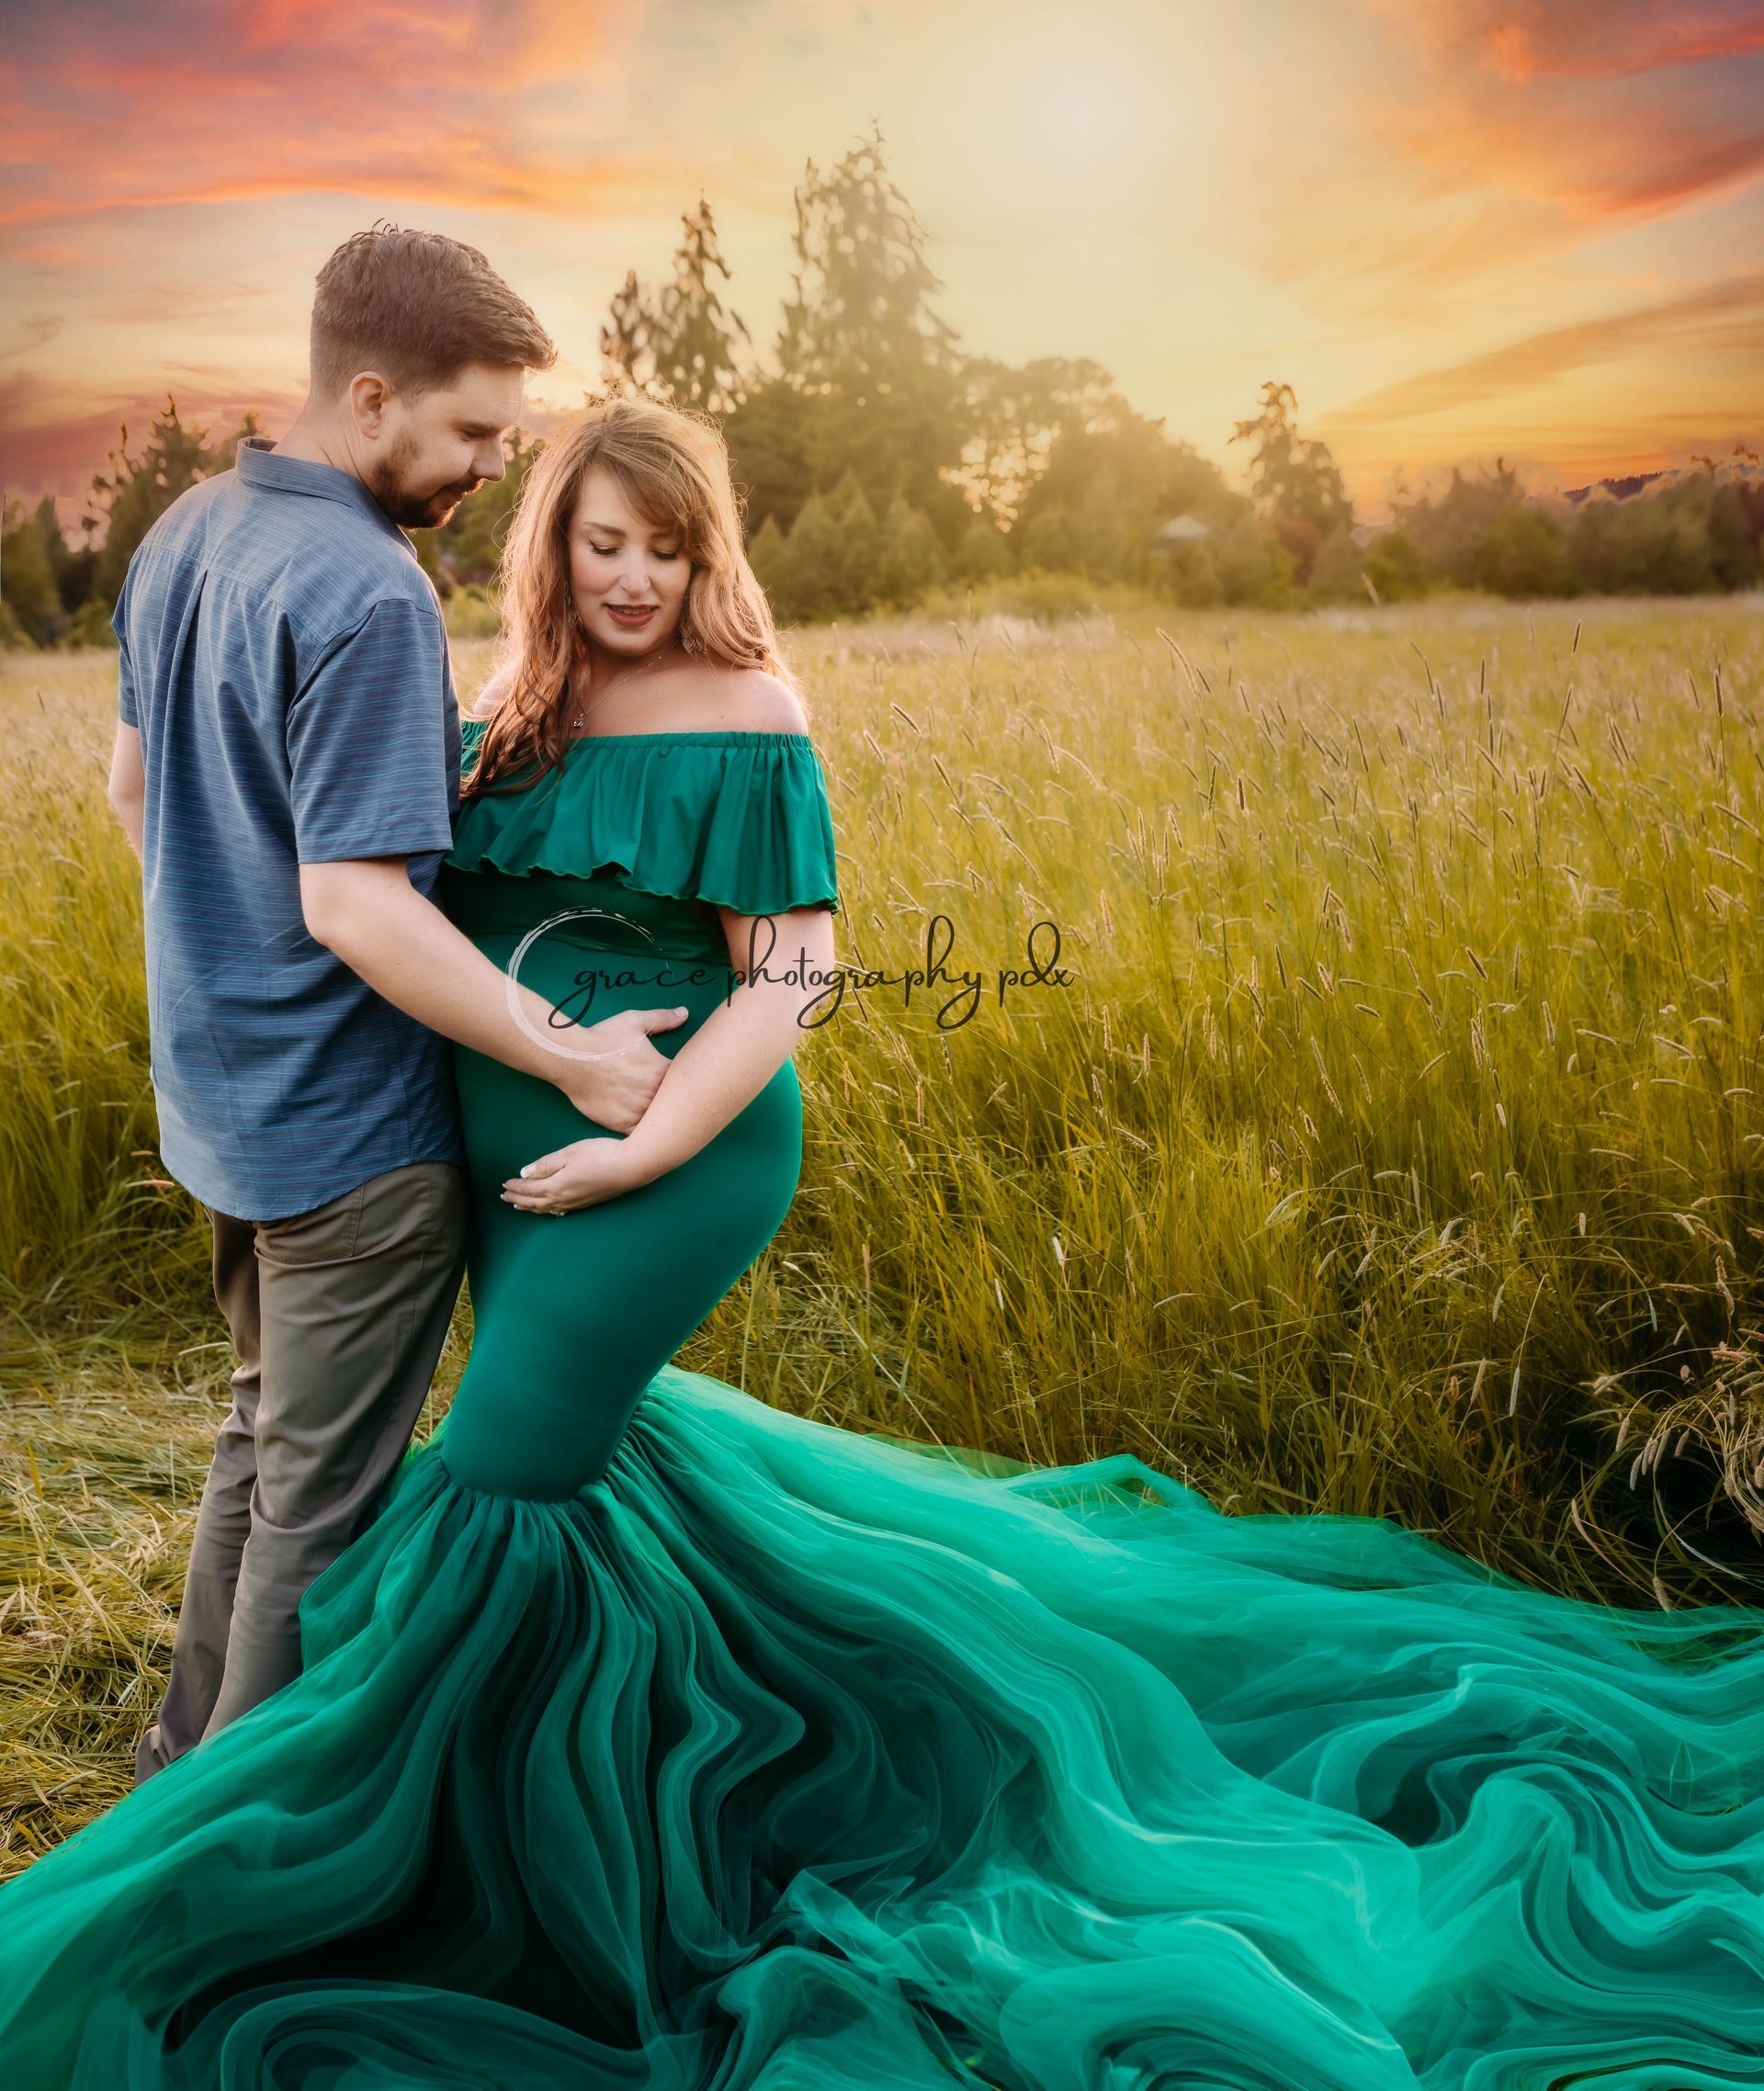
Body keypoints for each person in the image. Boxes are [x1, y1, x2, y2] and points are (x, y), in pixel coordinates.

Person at [6, 396, 1764, 2088]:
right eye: (606, 543)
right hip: (509, 1157)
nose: (636, 579)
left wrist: (647, 1155)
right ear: (556, 544)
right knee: (579, 1480)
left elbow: (792, 973)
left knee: (495, 1493)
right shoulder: (505, 701)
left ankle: (334, 1877)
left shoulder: (748, 701)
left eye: (669, 549)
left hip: (671, 1161)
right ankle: (628, 1788)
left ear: (712, 557)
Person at [103, 223, 689, 1779]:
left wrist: (227, 945)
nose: (500, 463)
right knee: (327, 1509)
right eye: (475, 430)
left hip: (221, 1102)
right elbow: (355, 903)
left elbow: (132, 789)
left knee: (259, 1443)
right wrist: (569, 1057)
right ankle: (230, 1860)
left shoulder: (187, 534)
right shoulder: (367, 593)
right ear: (370, 399)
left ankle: (181, 1766)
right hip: (348, 1135)